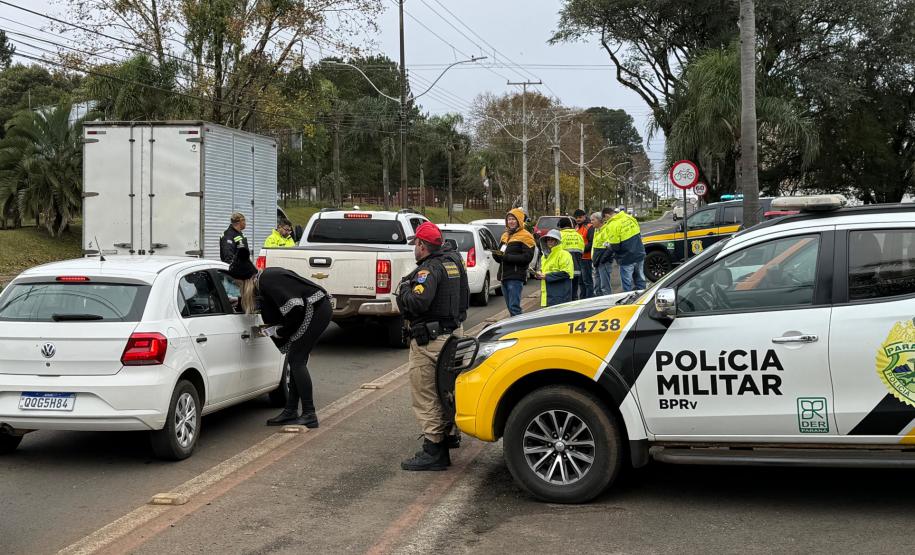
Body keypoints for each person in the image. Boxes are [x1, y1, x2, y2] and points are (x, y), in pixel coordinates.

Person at [224, 247, 331, 428]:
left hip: (316, 309)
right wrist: (239, 304)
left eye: (237, 284)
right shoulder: (262, 281)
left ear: (244, 280)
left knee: (297, 360)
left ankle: (309, 413)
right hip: (313, 309)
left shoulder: (267, 280)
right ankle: (290, 411)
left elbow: (294, 308)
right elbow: (268, 303)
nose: (238, 287)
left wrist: (280, 331)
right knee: (294, 359)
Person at [396, 222, 469, 471]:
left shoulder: (428, 270)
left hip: (430, 341)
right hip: (454, 335)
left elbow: (417, 302)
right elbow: (464, 299)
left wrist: (404, 290)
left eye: (415, 244)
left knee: (426, 394)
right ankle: (450, 435)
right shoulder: (453, 262)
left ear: (422, 245)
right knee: (448, 391)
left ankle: (434, 449)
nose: (414, 250)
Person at [492, 208, 535, 316]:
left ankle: (519, 331)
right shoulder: (505, 235)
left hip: (515, 277)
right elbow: (501, 257)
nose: (511, 222)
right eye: (509, 219)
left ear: (519, 220)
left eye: (513, 219)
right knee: (510, 307)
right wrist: (495, 255)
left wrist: (507, 257)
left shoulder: (526, 236)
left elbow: (527, 257)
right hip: (504, 275)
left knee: (514, 307)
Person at [606, 206, 647, 292]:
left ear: (606, 215)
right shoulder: (629, 217)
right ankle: (643, 299)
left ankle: (629, 303)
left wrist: (608, 246)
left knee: (627, 284)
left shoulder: (613, 224)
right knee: (640, 280)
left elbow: (615, 247)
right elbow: (639, 235)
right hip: (639, 254)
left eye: (605, 219)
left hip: (626, 258)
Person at [535, 229, 574, 307]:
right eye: (548, 239)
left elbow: (566, 273)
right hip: (548, 294)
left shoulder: (564, 254)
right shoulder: (544, 256)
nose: (549, 241)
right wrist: (539, 272)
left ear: (557, 241)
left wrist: (546, 276)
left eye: (552, 239)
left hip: (560, 295)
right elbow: (544, 269)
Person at [558, 217, 584, 300]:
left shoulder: (559, 235)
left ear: (561, 226)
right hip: (576, 269)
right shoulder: (578, 236)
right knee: (574, 293)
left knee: (564, 295)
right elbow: (582, 251)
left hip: (564, 270)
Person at [592, 209, 615, 296]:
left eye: (593, 220)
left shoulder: (606, 229)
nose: (591, 222)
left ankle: (607, 305)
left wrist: (602, 260)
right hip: (597, 261)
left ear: (599, 220)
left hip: (603, 261)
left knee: (604, 286)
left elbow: (609, 247)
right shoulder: (596, 230)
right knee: (597, 286)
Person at [574, 209, 594, 299]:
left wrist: (581, 250)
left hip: (587, 258)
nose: (578, 219)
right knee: (581, 281)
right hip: (579, 258)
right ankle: (582, 298)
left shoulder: (589, 227)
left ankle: (589, 299)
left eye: (580, 217)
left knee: (587, 281)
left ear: (584, 217)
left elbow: (591, 242)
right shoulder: (576, 227)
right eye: (576, 218)